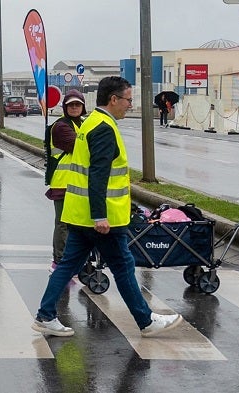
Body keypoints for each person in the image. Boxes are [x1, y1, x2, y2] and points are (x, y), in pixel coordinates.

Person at [31, 76, 182, 338]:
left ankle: (45, 315)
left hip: (81, 214)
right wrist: (99, 215)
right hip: (102, 218)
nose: (129, 105)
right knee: (123, 266)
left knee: (67, 265)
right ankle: (146, 321)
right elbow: (98, 175)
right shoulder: (103, 128)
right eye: (128, 100)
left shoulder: (91, 122)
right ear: (113, 99)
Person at [46, 89, 86, 273]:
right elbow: (80, 147)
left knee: (77, 224)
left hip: (78, 183)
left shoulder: (82, 123)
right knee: (63, 224)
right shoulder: (61, 127)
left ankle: (74, 259)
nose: (75, 108)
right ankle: (60, 261)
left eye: (78, 104)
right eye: (71, 105)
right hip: (63, 183)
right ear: (65, 107)